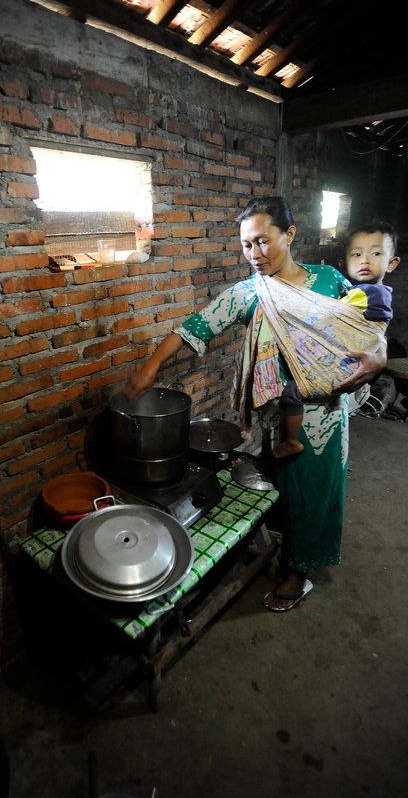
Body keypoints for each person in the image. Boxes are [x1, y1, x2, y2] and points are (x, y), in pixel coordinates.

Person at [123, 196, 387, 612]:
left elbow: (366, 323)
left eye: (263, 242)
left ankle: (299, 572)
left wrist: (380, 353)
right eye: (247, 246)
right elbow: (196, 326)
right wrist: (151, 366)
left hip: (324, 417)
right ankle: (289, 548)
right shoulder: (249, 293)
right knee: (284, 489)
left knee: (314, 494)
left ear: (289, 235)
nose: (255, 254)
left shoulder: (329, 281)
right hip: (278, 416)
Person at [273, 218, 399, 458]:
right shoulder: (353, 290)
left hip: (338, 367)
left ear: (391, 263)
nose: (364, 260)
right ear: (344, 263)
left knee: (291, 392)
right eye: (356, 254)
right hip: (344, 366)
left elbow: (333, 318)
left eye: (375, 253)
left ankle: (291, 441)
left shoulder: (370, 293)